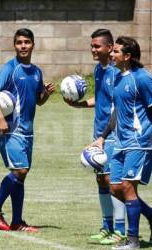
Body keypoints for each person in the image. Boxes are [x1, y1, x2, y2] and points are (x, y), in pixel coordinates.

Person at [0, 28, 56, 232]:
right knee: (20, 171)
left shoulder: (36, 72)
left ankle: (17, 222)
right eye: (19, 42)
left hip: (28, 132)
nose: (23, 46)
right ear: (14, 45)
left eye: (26, 42)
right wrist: (0, 118)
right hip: (10, 130)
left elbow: (38, 101)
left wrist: (46, 94)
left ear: (33, 44)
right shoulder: (10, 68)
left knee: (21, 176)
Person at [64, 29, 126, 244]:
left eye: (97, 46)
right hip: (99, 133)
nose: (93, 49)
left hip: (112, 133)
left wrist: (104, 135)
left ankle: (120, 231)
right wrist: (80, 104)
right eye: (92, 46)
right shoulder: (98, 70)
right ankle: (107, 227)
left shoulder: (118, 72)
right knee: (101, 180)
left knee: (112, 181)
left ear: (110, 48)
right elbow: (100, 100)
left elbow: (120, 106)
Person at [93, 36, 152, 249]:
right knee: (115, 187)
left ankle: (133, 240)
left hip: (139, 141)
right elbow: (118, 111)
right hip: (120, 141)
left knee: (127, 187)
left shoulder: (143, 78)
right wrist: (102, 136)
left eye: (115, 51)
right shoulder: (118, 77)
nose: (111, 54)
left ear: (127, 56)